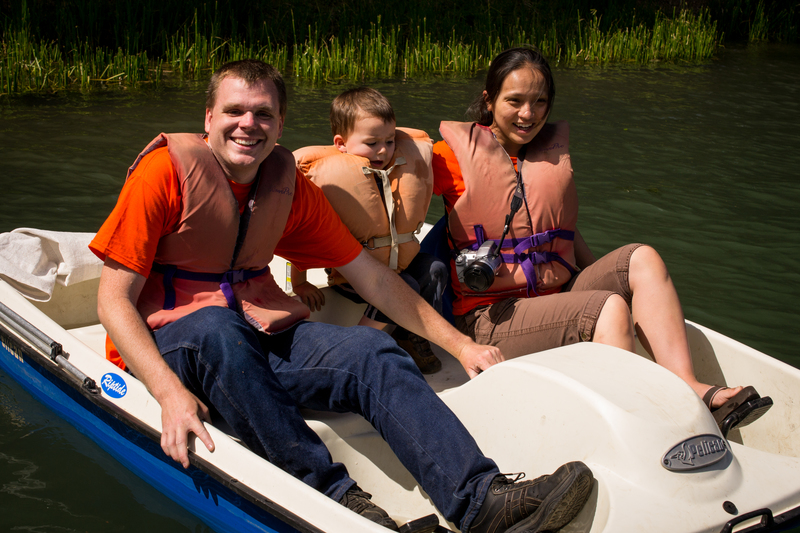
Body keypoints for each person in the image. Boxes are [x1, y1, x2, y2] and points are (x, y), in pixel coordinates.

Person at [90, 59, 592, 532]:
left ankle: (480, 500)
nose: (249, 124)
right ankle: (337, 501)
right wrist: (167, 393)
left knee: (370, 349)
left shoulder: (285, 186)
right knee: (217, 331)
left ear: (281, 123)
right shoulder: (165, 174)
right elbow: (112, 301)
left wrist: (460, 347)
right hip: (170, 347)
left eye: (264, 113)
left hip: (253, 334)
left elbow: (374, 279)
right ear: (209, 117)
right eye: (235, 111)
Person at [432, 46, 772, 433]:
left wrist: (601, 276)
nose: (528, 114)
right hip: (493, 317)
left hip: (553, 296)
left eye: (540, 101)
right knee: (606, 308)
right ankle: (631, 427)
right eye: (515, 101)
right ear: (489, 101)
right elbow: (386, 187)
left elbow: (559, 230)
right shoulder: (448, 157)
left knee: (642, 258)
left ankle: (689, 388)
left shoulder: (544, 155)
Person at [291, 87, 447, 373]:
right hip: (353, 277)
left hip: (396, 268)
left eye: (389, 141)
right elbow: (301, 235)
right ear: (341, 144)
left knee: (435, 267)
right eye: (372, 143)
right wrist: (299, 282)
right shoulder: (330, 182)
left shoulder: (397, 170)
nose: (384, 150)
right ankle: (358, 346)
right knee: (406, 286)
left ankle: (410, 337)